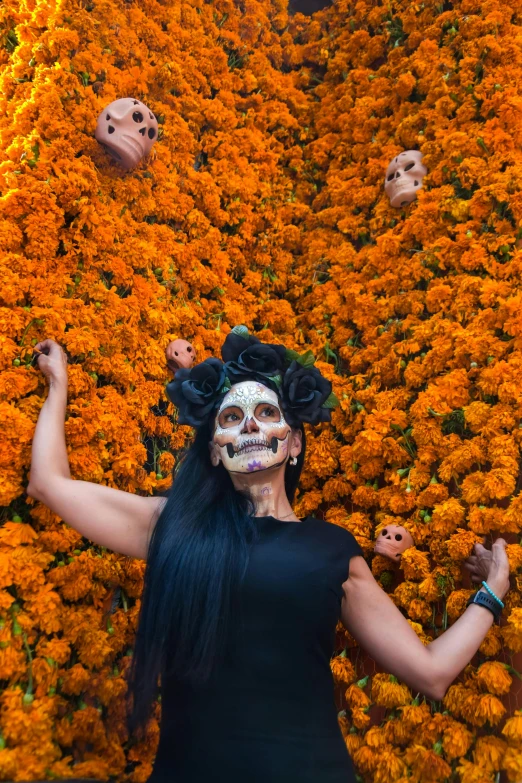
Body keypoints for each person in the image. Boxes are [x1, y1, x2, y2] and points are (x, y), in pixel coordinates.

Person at [27, 328, 510, 783]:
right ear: (215, 450)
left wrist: (494, 589)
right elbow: (49, 484)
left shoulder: (333, 548)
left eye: (266, 413)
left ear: (295, 442)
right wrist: (59, 386)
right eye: (232, 418)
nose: (251, 425)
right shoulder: (173, 525)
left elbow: (431, 673)